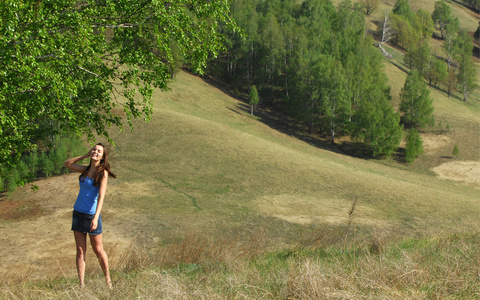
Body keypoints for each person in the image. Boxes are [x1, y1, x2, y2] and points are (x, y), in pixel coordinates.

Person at [64, 143, 117, 288]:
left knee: (98, 250)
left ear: (103, 156)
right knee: (80, 251)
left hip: (91, 215)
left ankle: (108, 281)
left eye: (99, 151)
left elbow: (101, 198)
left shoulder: (103, 173)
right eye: (94, 149)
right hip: (78, 213)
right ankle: (81, 285)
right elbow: (67, 163)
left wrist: (95, 218)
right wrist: (86, 155)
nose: (95, 152)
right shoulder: (85, 170)